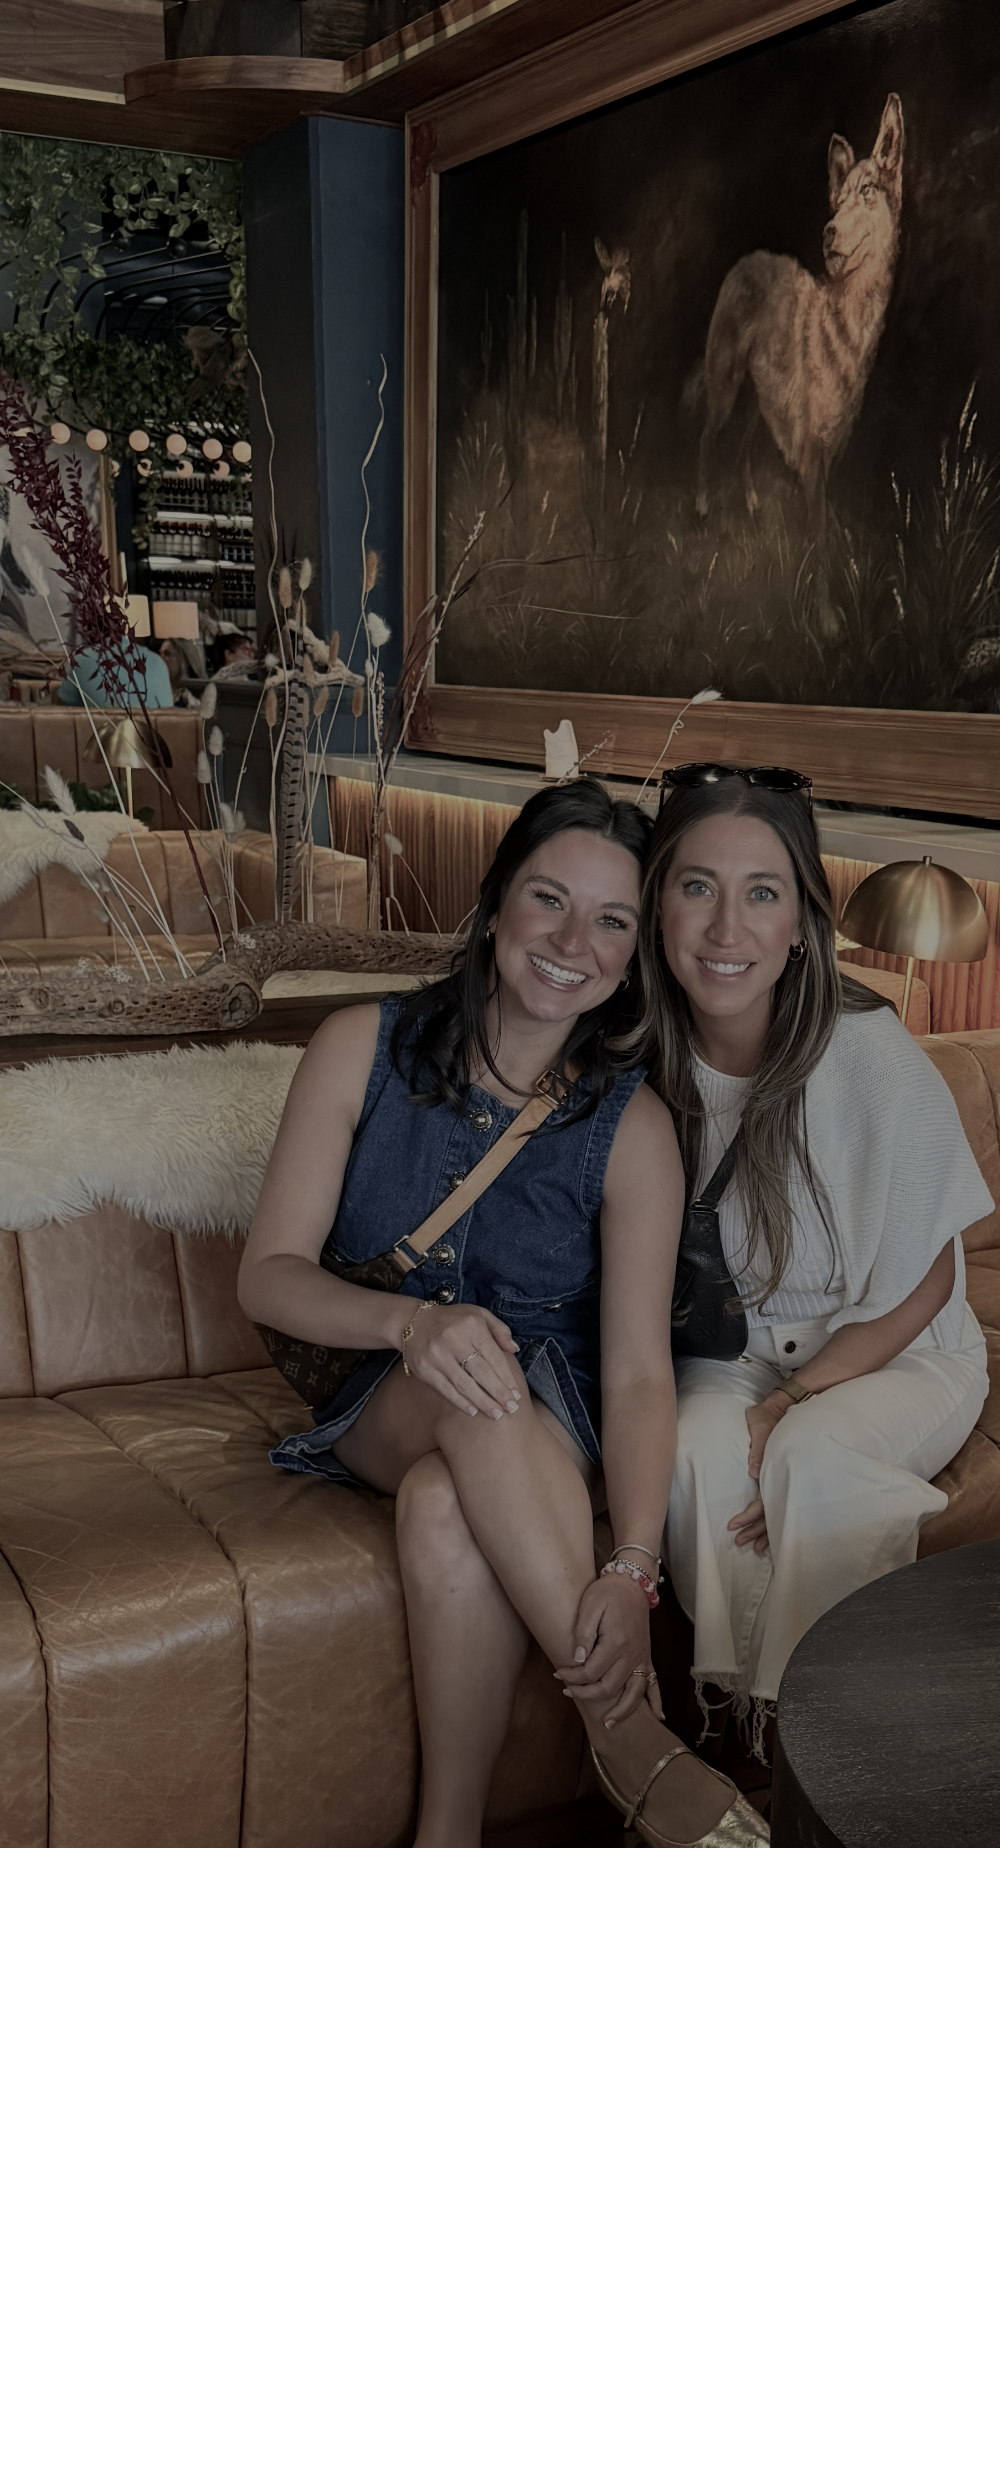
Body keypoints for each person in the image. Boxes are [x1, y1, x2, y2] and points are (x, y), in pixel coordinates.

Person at [237, 777, 769, 1858]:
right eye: (549, 899)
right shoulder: (360, 1046)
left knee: (444, 1506)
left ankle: (447, 1846)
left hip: (555, 1412)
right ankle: (628, 1734)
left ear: (633, 954)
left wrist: (631, 1565)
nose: (575, 940)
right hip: (384, 1383)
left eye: (613, 920)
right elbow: (269, 1277)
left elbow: (633, 1377)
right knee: (464, 1385)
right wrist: (410, 1329)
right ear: (494, 905)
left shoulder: (635, 1129)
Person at [634, 766, 995, 1761]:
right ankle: (735, 1734)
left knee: (812, 1459)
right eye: (696, 886)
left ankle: (826, 1748)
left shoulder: (870, 1053)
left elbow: (929, 1279)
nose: (726, 928)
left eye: (763, 893)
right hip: (728, 1343)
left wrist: (797, 1402)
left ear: (803, 922)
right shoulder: (634, 1056)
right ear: (656, 901)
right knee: (700, 1458)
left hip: (896, 1348)